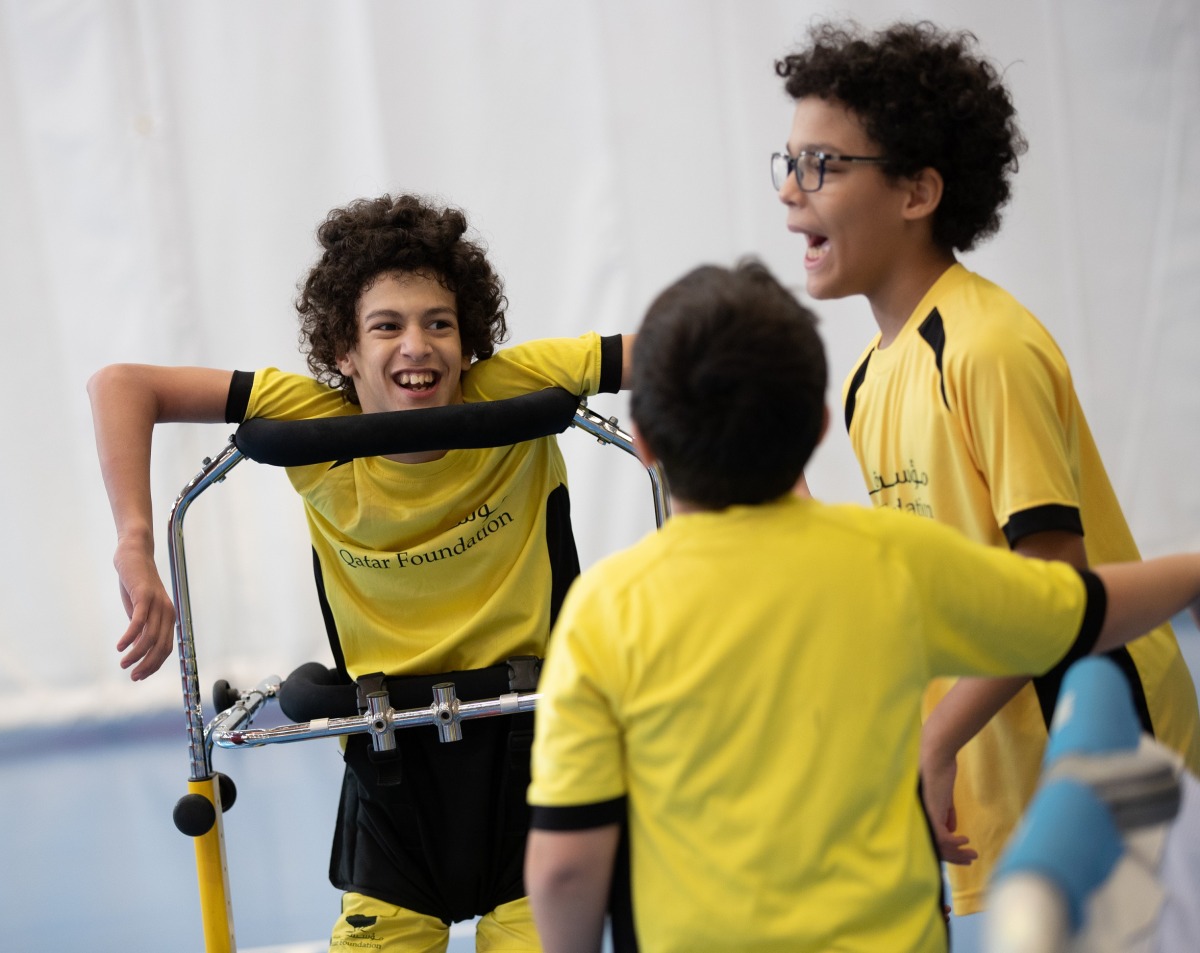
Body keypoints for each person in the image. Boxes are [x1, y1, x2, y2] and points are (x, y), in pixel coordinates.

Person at [523, 259, 1200, 953]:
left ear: (645, 441)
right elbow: (1074, 607)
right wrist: (1192, 574)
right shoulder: (888, 559)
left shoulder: (603, 612)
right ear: (819, 428)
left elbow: (564, 865)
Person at [87, 192, 631, 952]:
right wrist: (135, 543)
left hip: (539, 755)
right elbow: (121, 384)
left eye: (439, 323)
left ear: (467, 339)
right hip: (390, 776)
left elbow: (682, 350)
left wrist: (668, 427)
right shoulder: (315, 422)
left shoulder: (512, 389)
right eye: (387, 326)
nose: (418, 345)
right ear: (344, 350)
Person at [772, 20, 1200, 915]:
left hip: (1103, 747)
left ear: (918, 189)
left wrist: (937, 736)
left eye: (822, 165)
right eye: (787, 161)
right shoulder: (863, 378)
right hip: (997, 767)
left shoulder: (987, 347)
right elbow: (943, 572)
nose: (789, 191)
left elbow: (1050, 581)